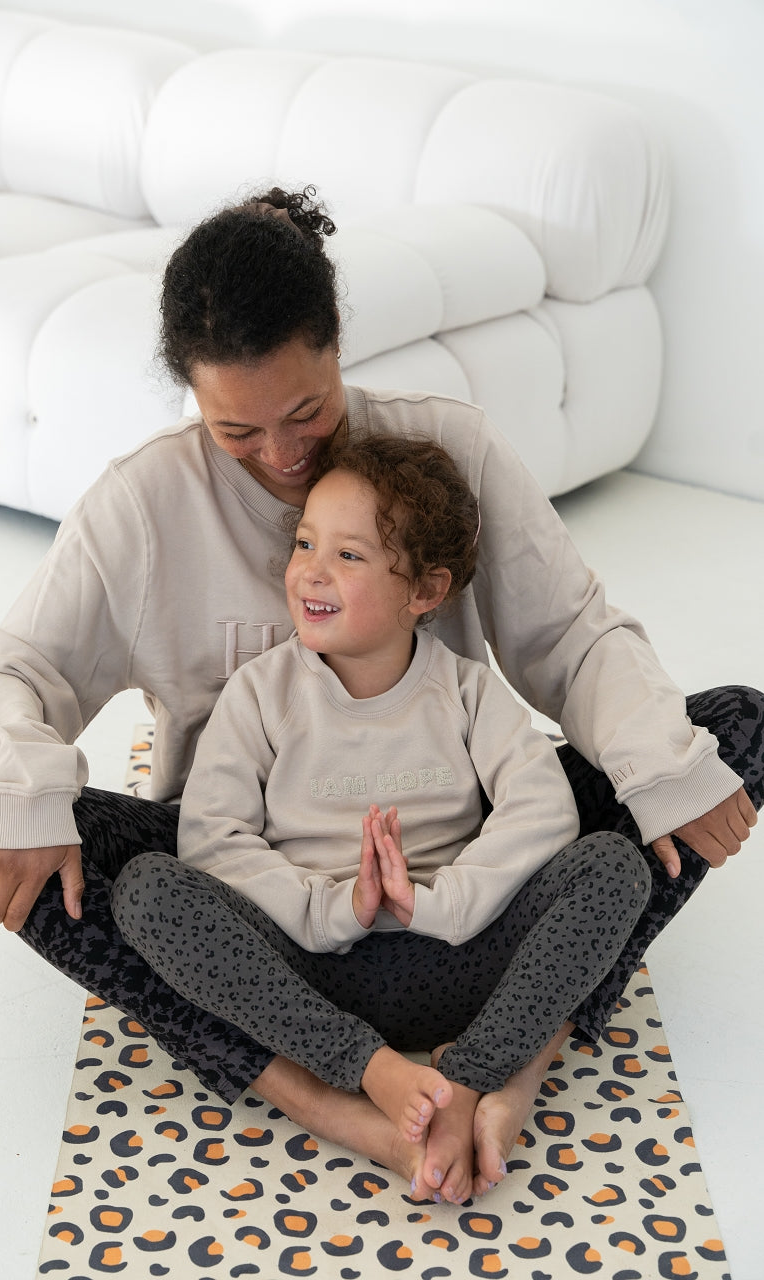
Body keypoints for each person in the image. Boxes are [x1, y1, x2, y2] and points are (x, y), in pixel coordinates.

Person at [0, 186, 761, 1201]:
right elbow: (11, 673)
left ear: (337, 345)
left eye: (306, 412)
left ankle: (507, 1067)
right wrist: (28, 784)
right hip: (262, 909)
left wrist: (661, 769)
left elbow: (569, 637)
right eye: (236, 429)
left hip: (466, 880)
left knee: (732, 732)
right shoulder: (143, 506)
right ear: (191, 397)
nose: (283, 456)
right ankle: (336, 1101)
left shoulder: (446, 454)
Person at [110, 433, 652, 1203]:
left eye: (349, 555)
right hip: (311, 976)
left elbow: (540, 811)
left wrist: (435, 902)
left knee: (613, 868)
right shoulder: (260, 693)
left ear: (424, 591)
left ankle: (470, 1078)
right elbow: (213, 839)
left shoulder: (465, 691)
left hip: (464, 961)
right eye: (305, 543)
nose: (311, 570)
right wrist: (334, 907)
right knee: (147, 890)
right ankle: (373, 1071)